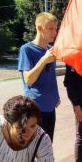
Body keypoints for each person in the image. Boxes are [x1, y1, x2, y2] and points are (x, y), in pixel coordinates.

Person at [18, 12, 60, 143]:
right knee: (33, 147)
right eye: (51, 28)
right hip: (35, 108)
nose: (55, 32)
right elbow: (28, 80)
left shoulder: (50, 49)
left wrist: (56, 96)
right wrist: (43, 60)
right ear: (40, 28)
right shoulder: (27, 49)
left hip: (50, 107)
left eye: (56, 28)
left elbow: (50, 76)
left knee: (47, 144)